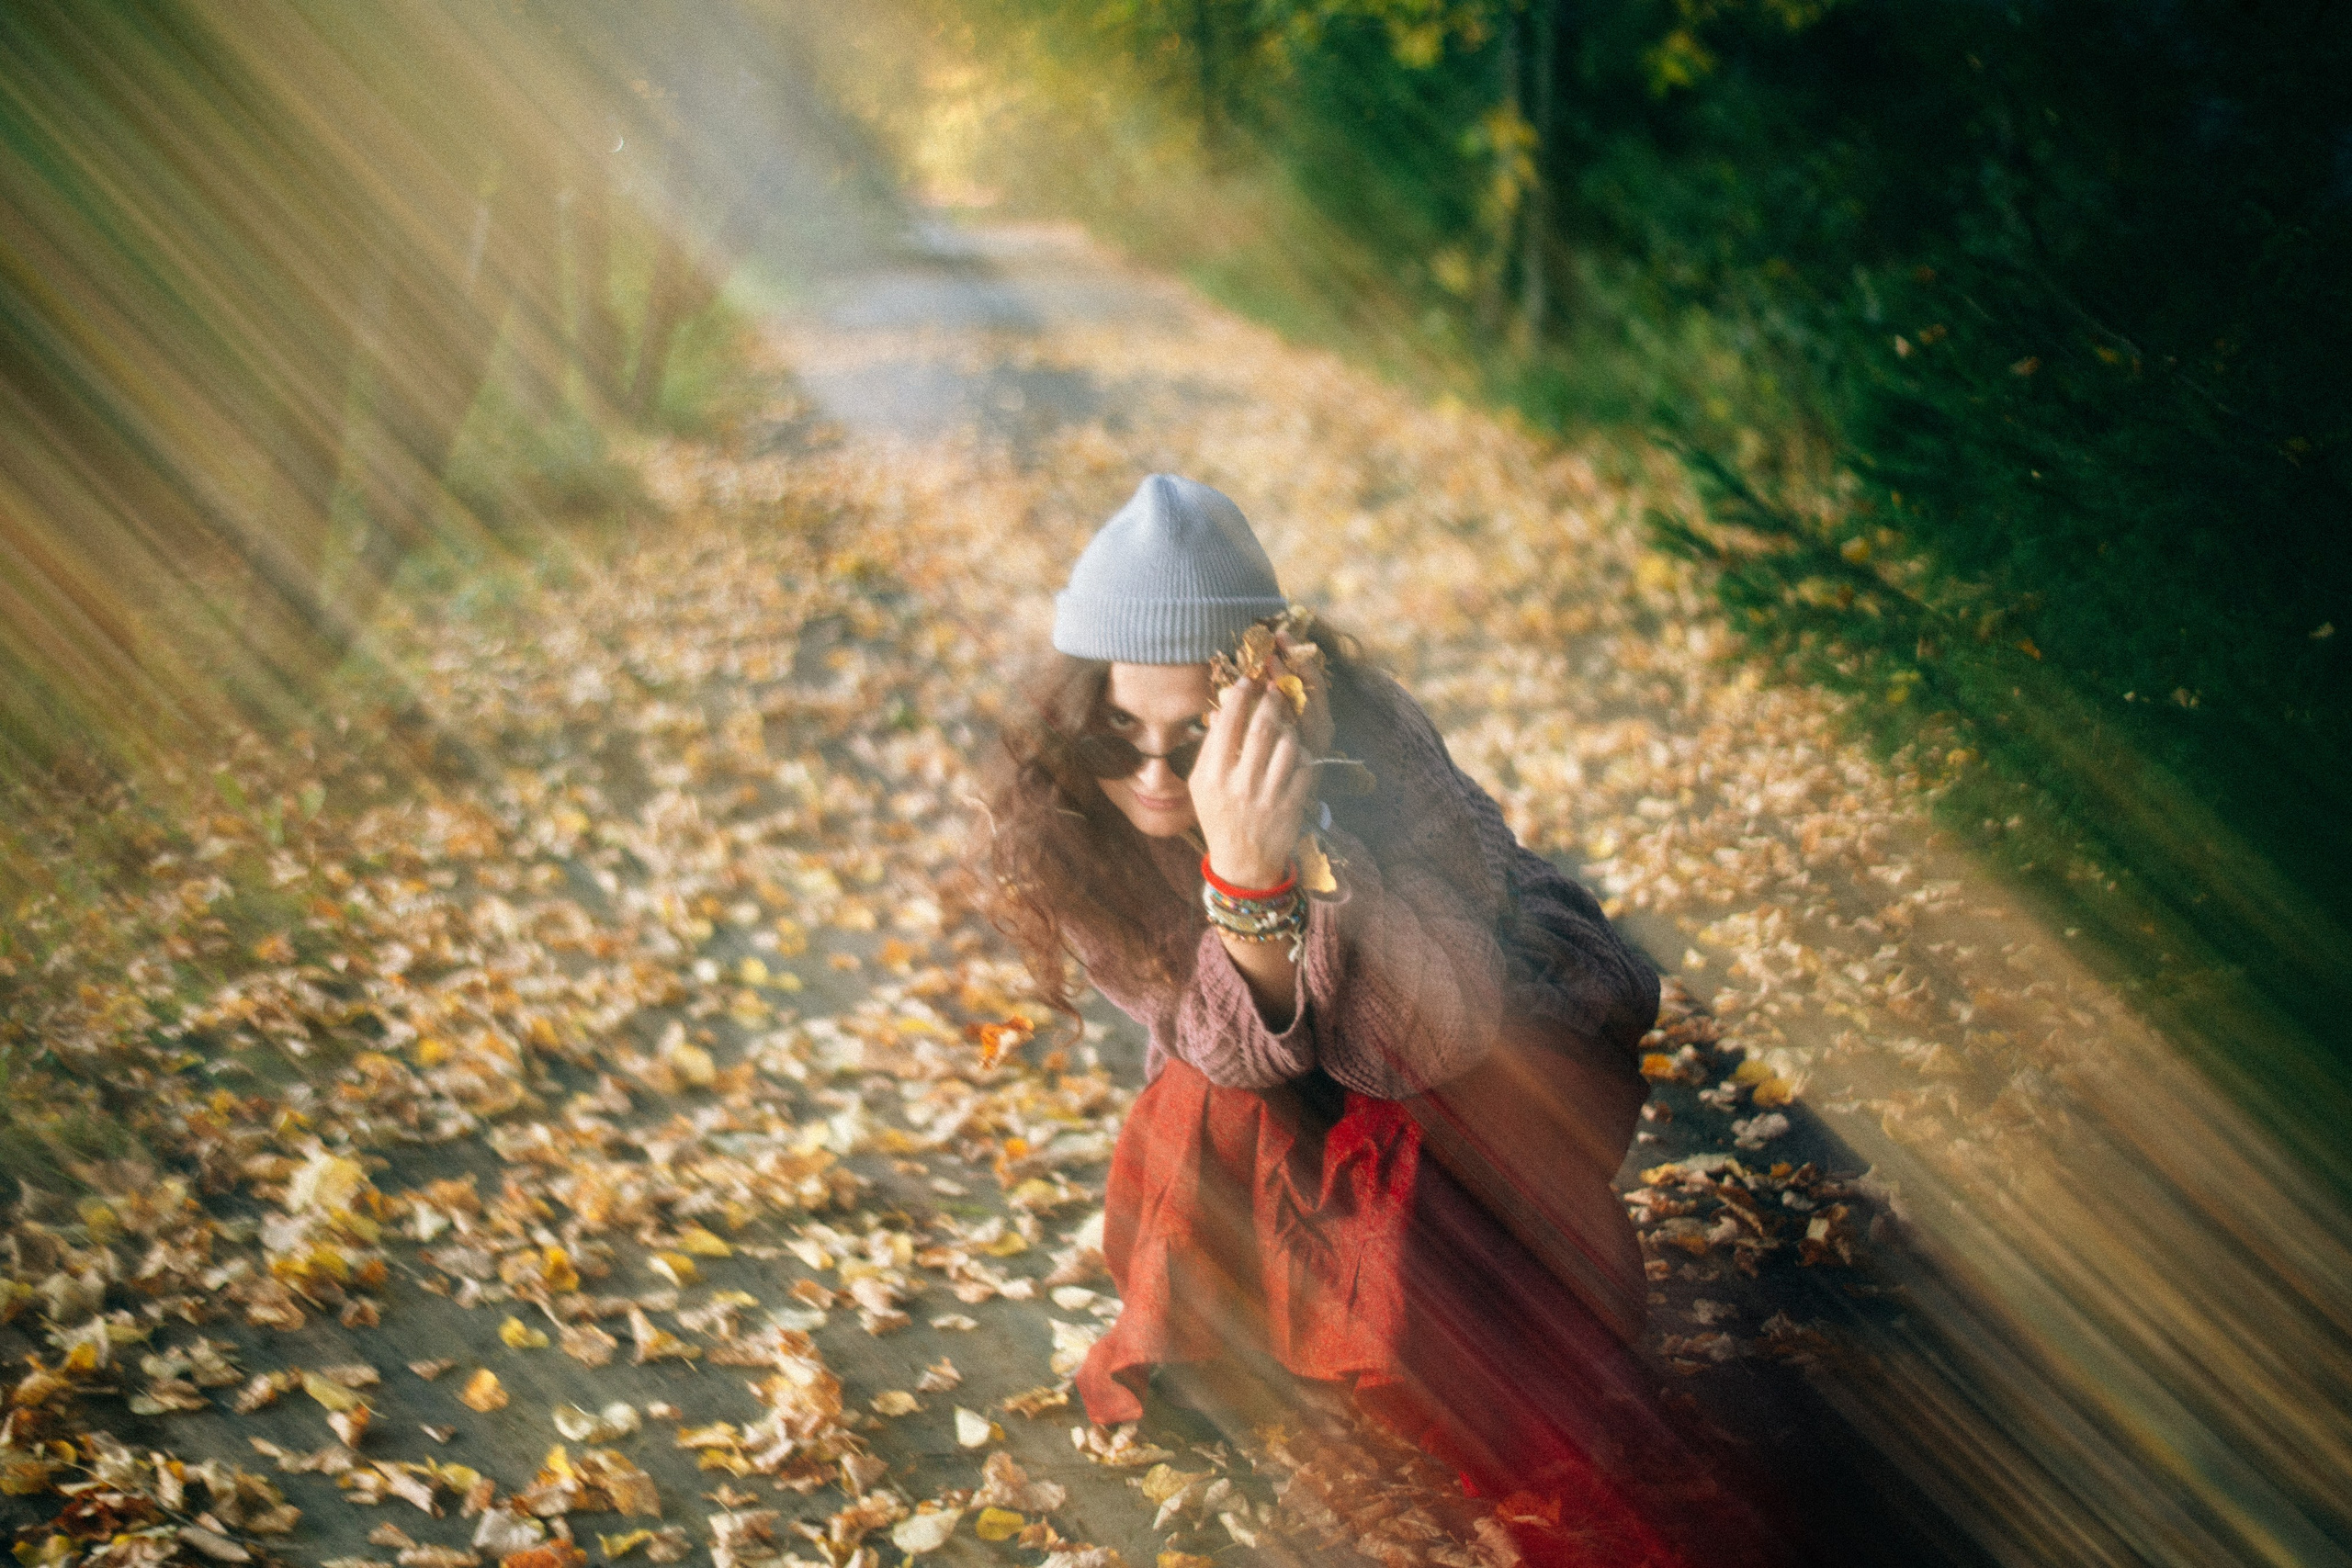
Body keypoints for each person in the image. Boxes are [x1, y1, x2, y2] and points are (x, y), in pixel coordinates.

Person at [973, 474, 1677, 1558]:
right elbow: (1218, 1049)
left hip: (1491, 1039)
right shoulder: (1078, 820)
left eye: (1194, 735)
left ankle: (1480, 1348)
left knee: (1408, 1119)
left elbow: (1430, 1039)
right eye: (1120, 733)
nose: (1156, 776)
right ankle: (1262, 1346)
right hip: (1288, 1062)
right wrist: (1245, 886)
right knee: (1203, 1099)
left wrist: (1308, 836)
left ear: (1267, 703)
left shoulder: (1377, 743)